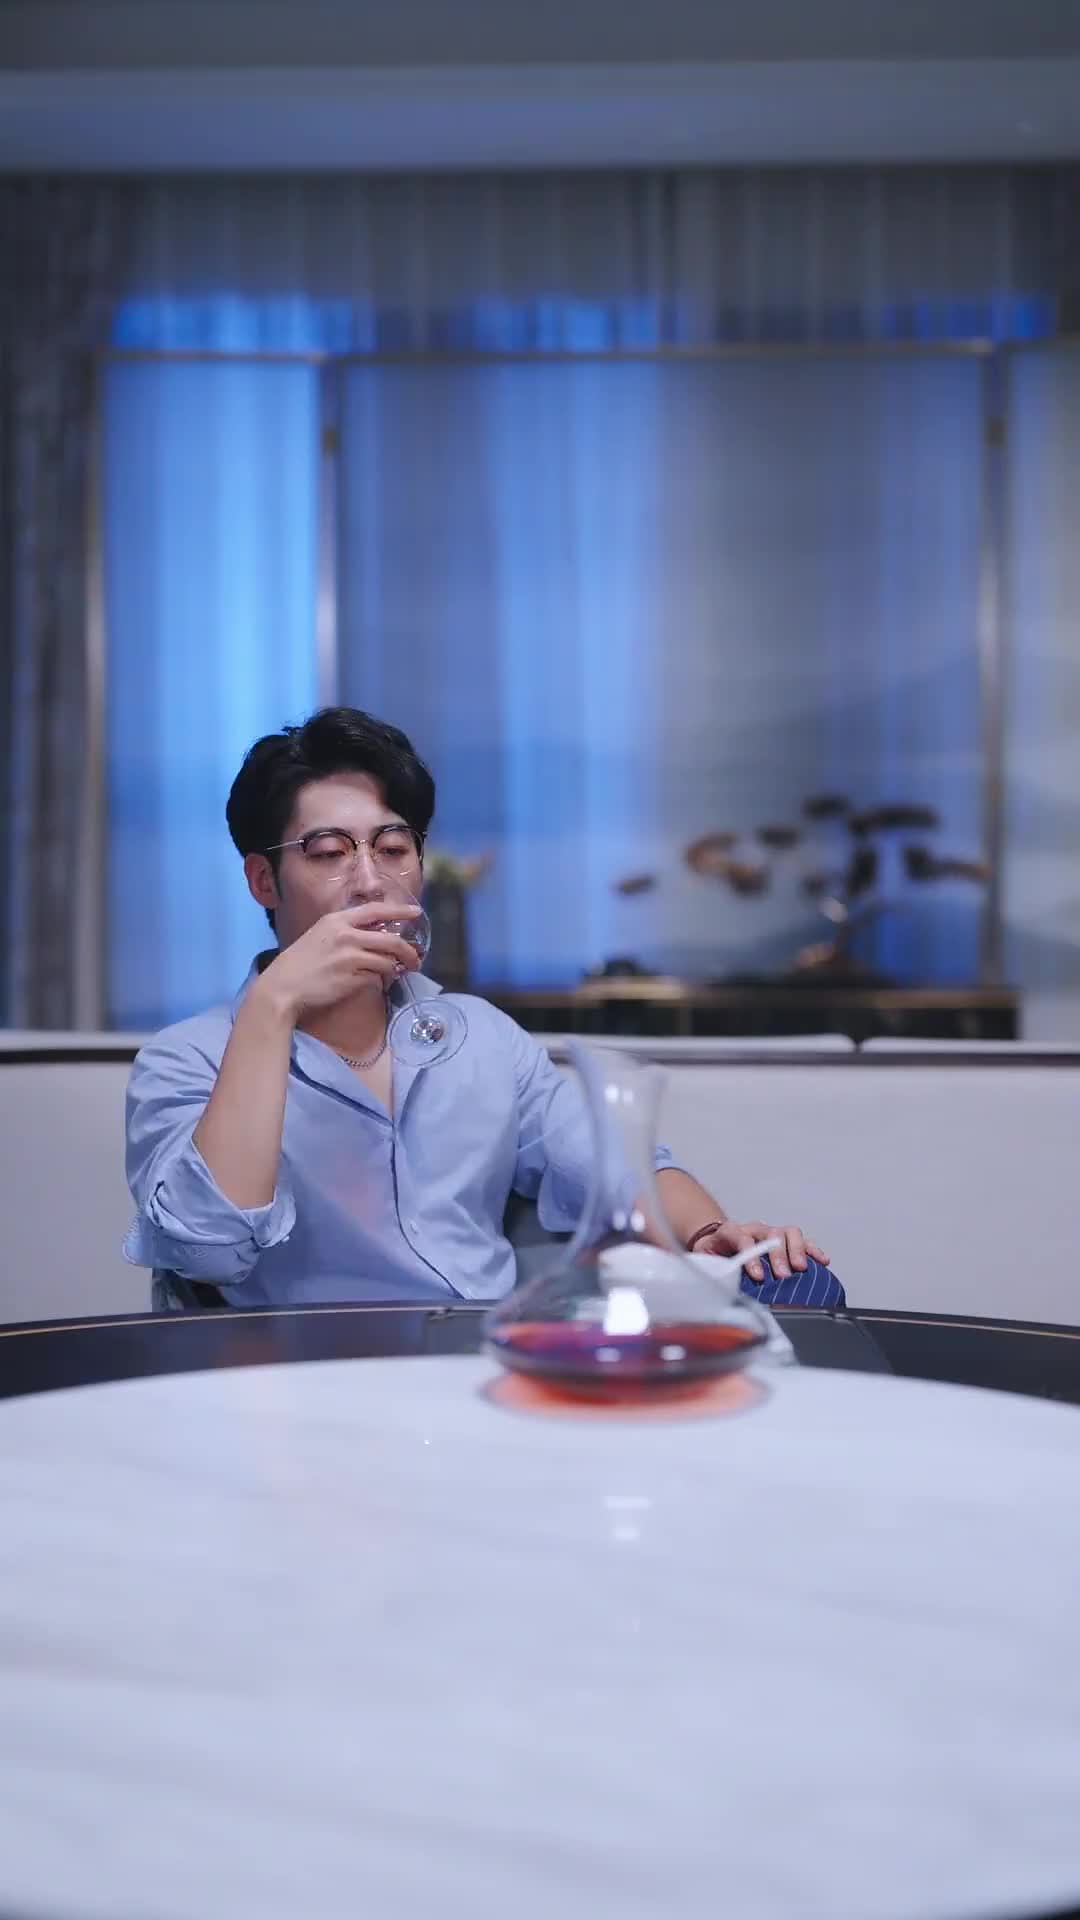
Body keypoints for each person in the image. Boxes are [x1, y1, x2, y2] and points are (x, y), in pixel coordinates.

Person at [125, 708, 843, 1310]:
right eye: (329, 852)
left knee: (797, 1290)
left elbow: (618, 1167)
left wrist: (708, 1237)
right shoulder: (188, 1057)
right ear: (263, 881)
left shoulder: (481, 1038)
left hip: (484, 1364)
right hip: (309, 1376)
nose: (370, 881)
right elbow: (206, 1250)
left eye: (394, 848)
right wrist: (274, 1005)